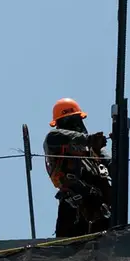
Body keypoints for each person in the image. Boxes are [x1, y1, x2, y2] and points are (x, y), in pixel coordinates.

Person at [43, 98, 112, 238]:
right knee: (68, 251)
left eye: (77, 120)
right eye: (70, 121)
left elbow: (115, 167)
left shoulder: (93, 151)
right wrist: (89, 140)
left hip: (100, 210)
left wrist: (117, 144)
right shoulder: (55, 140)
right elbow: (55, 137)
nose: (77, 125)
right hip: (73, 207)